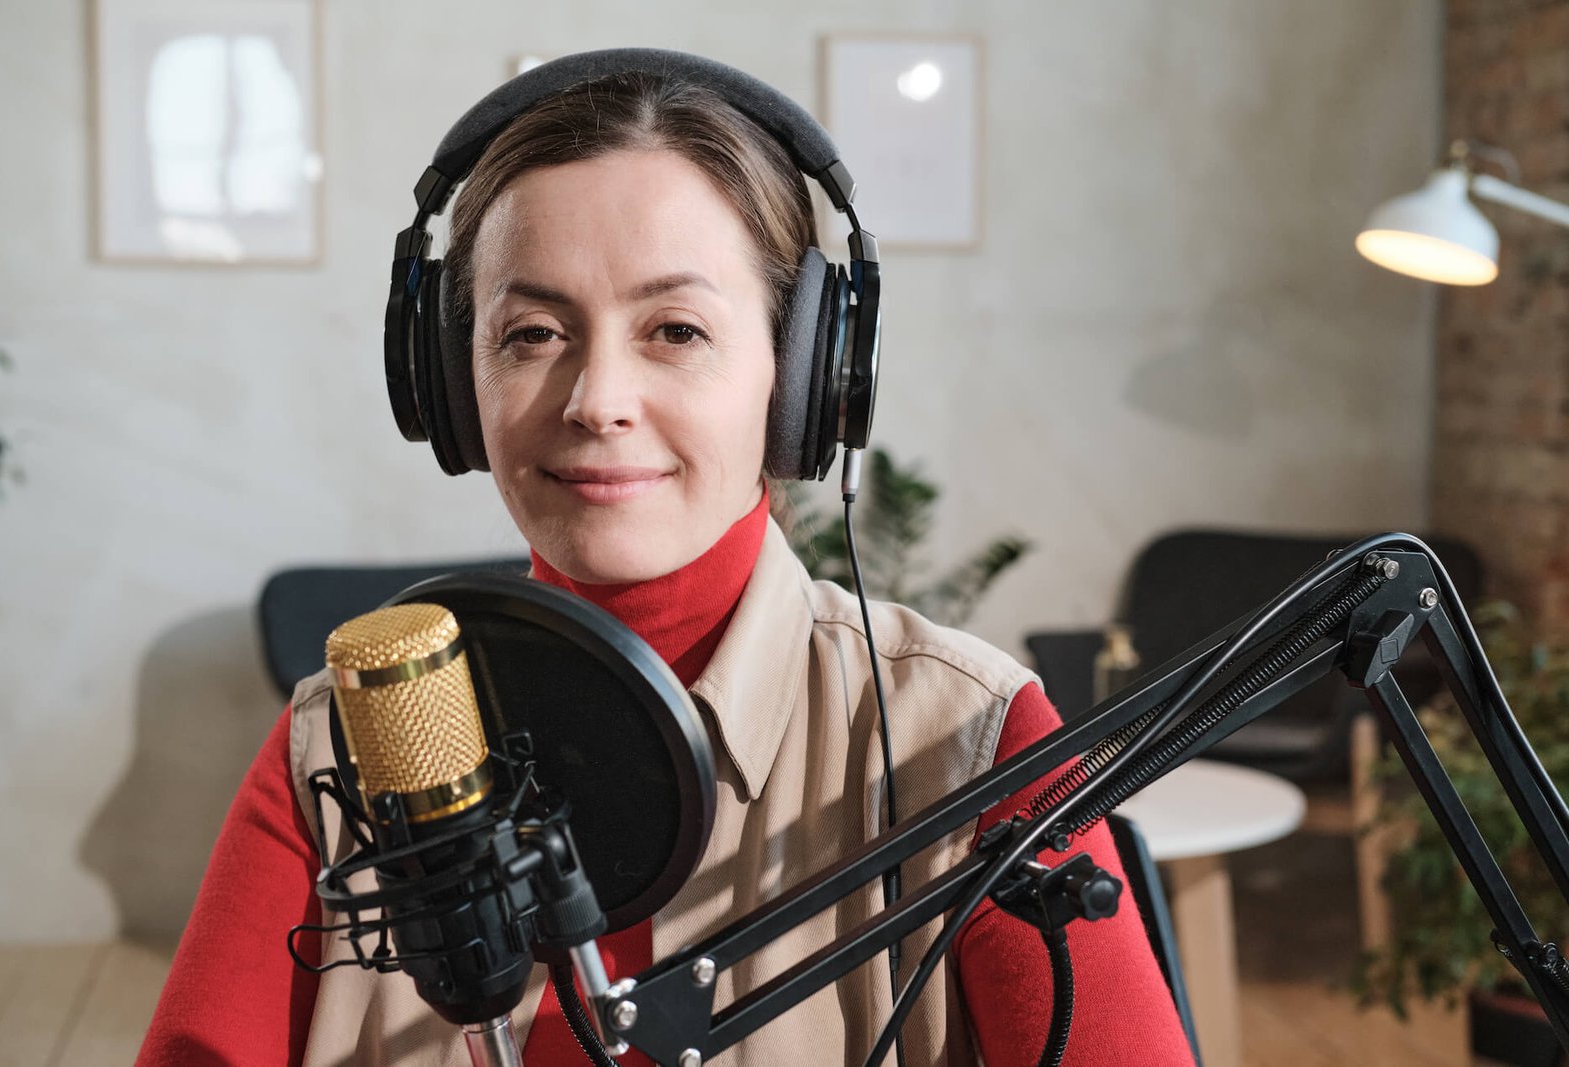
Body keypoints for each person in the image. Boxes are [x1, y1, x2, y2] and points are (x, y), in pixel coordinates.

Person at [139, 51, 1196, 1066]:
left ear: (800, 380)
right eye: (533, 333)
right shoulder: (343, 736)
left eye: (675, 329)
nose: (596, 399)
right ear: (452, 388)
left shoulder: (963, 739)